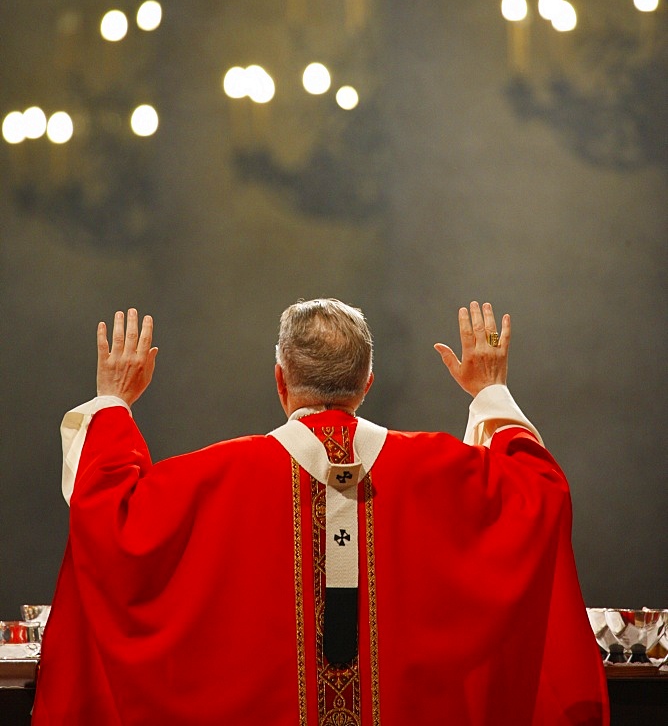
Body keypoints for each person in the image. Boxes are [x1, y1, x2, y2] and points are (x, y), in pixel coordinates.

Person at [33, 299, 609, 725]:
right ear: (367, 383)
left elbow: (109, 517)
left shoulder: (212, 476)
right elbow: (539, 494)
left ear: (281, 382)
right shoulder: (440, 469)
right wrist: (489, 391)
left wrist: (113, 402)